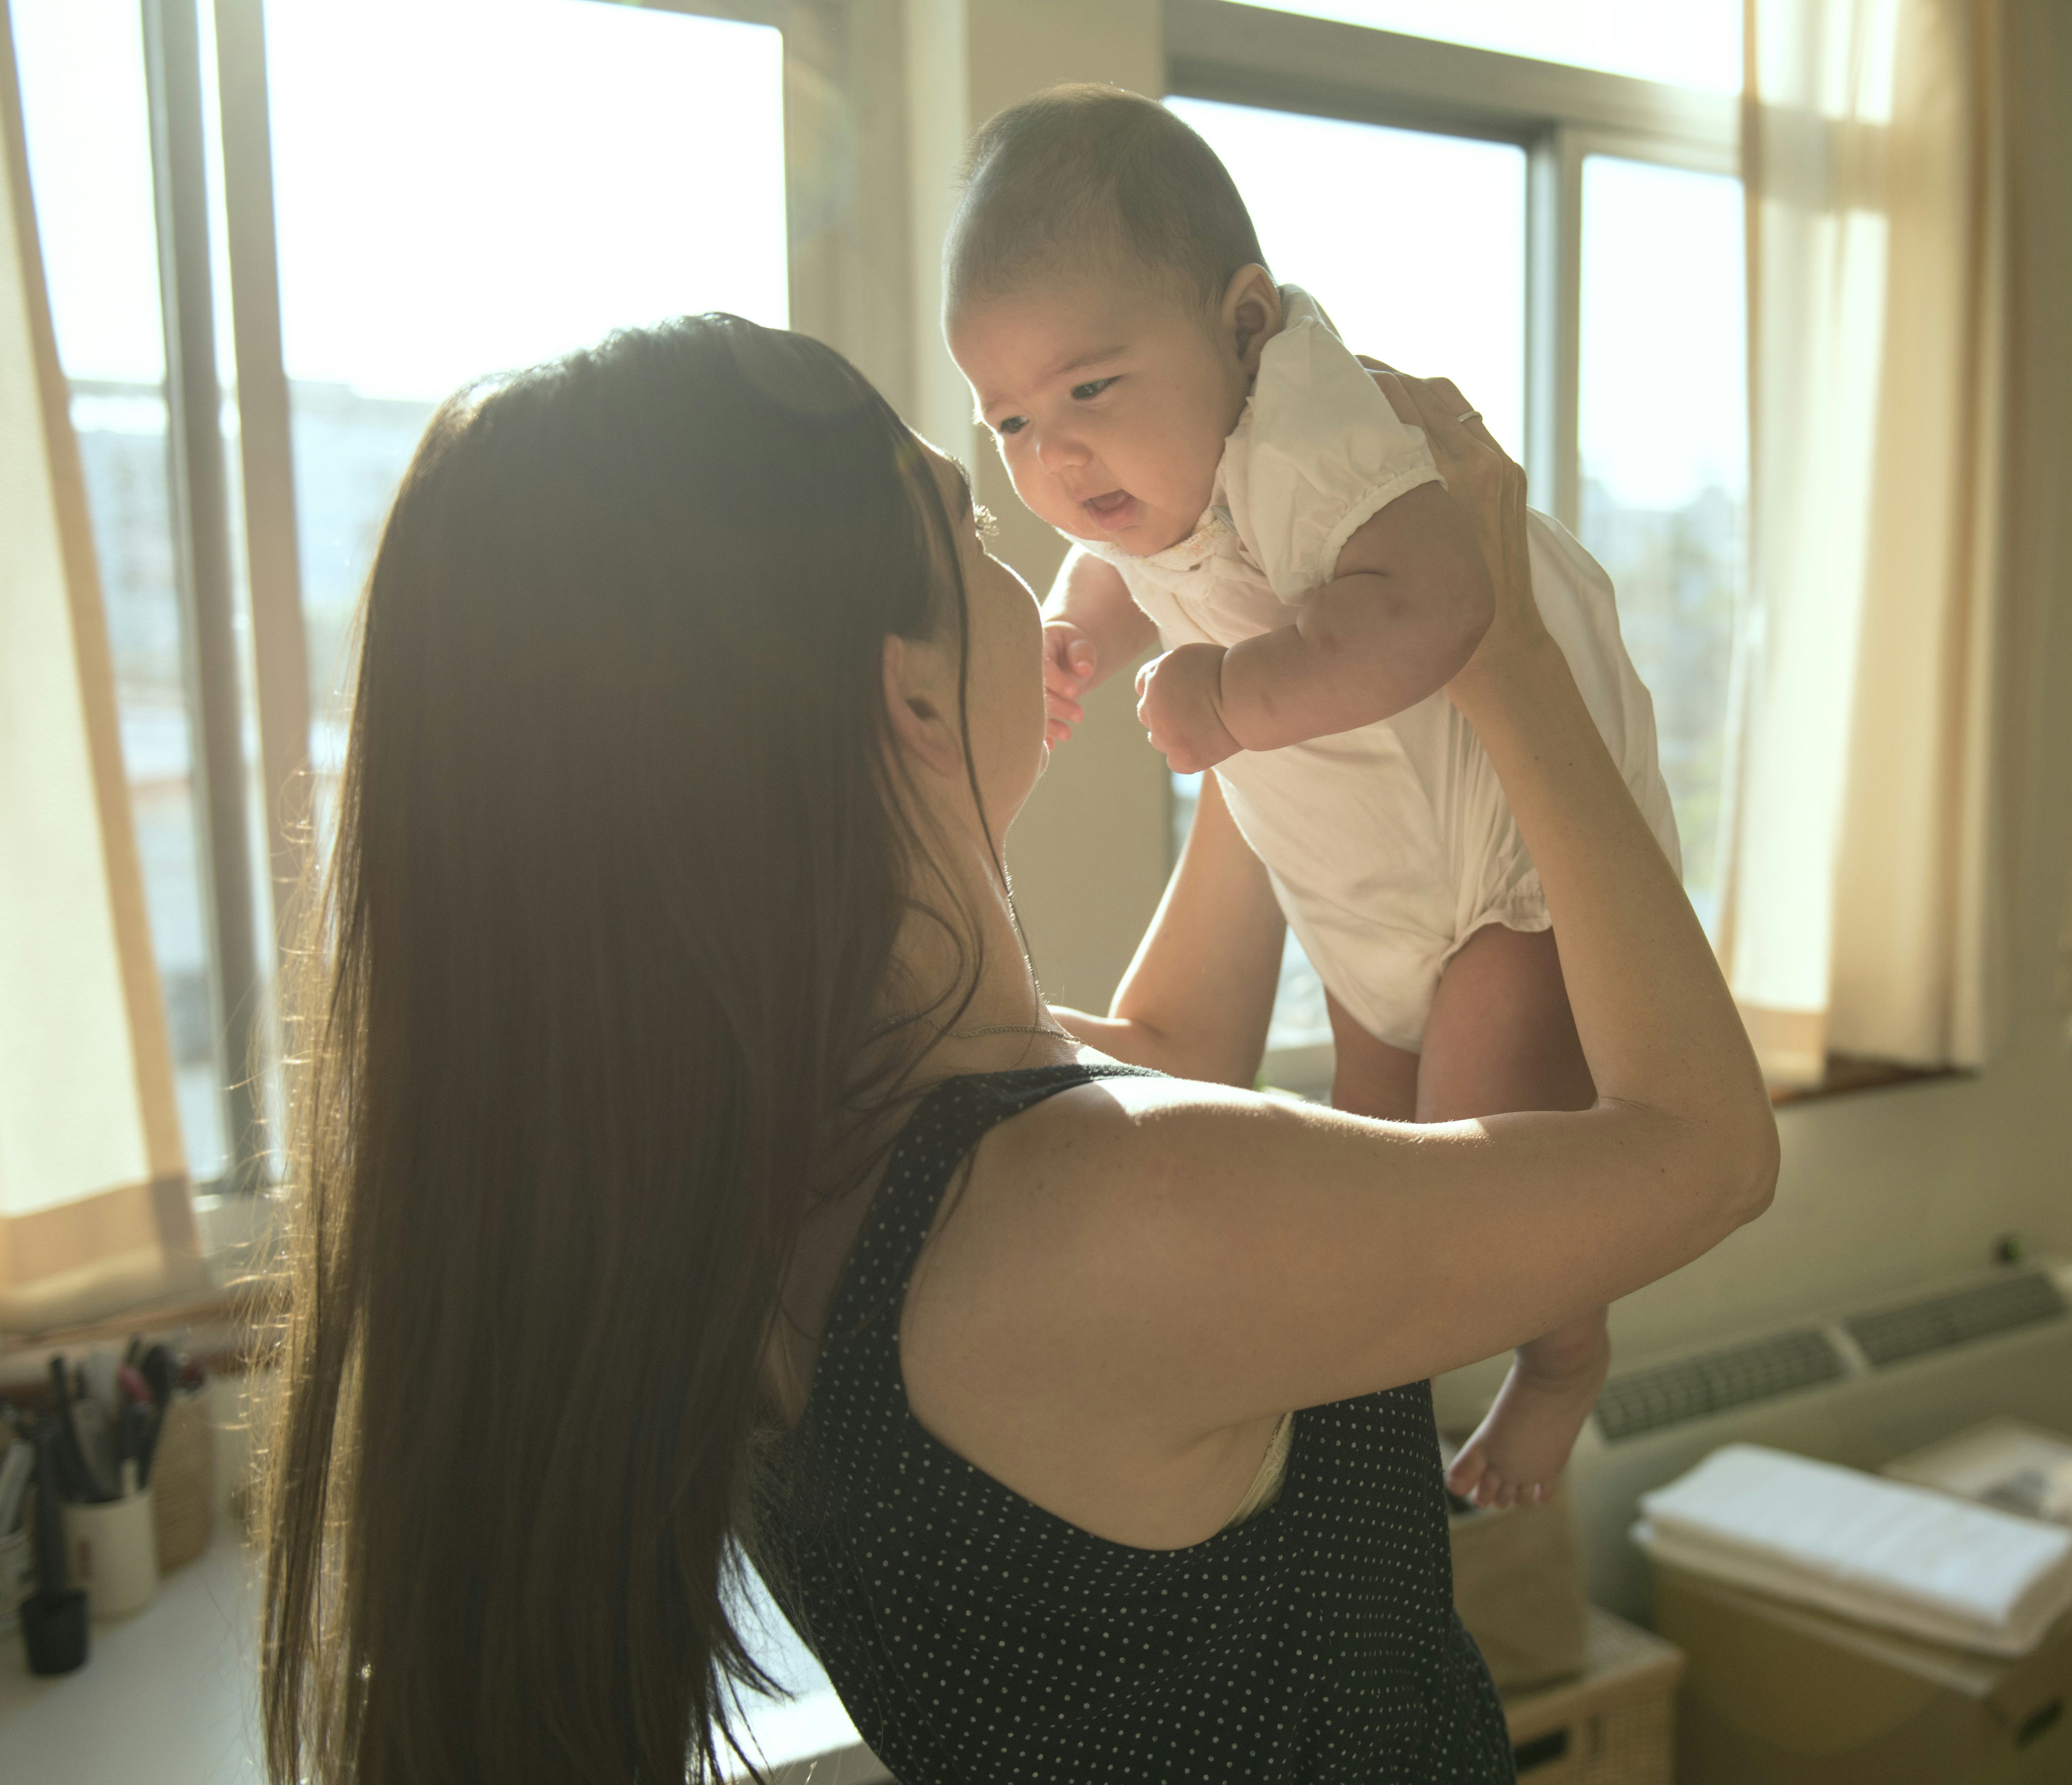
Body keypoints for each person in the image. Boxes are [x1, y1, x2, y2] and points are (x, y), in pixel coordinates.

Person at [259, 312, 1774, 1785]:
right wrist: (1496, 643)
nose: (1042, 559)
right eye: (977, 527)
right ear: (907, 693)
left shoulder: (809, 1161)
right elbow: (1700, 1151)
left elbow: (1177, 1041)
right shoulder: (1110, 1217)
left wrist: (1271, 608)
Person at [944, 85, 1686, 1506]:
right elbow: (1117, 565)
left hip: (1495, 869)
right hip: (1363, 884)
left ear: (1240, 327)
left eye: (1090, 391)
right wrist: (1072, 629)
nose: (1057, 457)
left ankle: (1562, 1357)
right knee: (1372, 1178)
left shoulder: (1307, 429)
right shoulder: (1159, 474)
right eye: (1011, 422)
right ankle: (1373, 1468)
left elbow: (1439, 600)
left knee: (1487, 1186)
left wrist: (1229, 697)